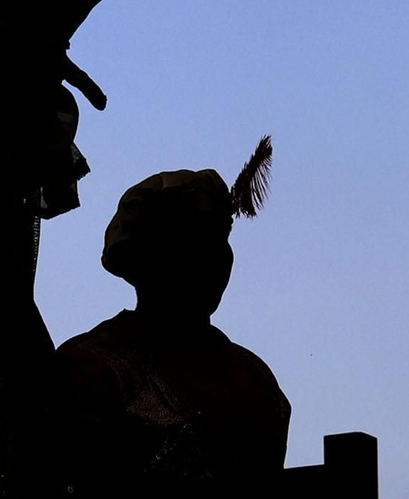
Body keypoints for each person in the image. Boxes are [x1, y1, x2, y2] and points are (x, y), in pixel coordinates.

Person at [54, 162, 290, 495]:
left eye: (218, 242)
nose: (213, 262)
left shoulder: (255, 376)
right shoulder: (91, 368)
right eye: (191, 246)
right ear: (147, 260)